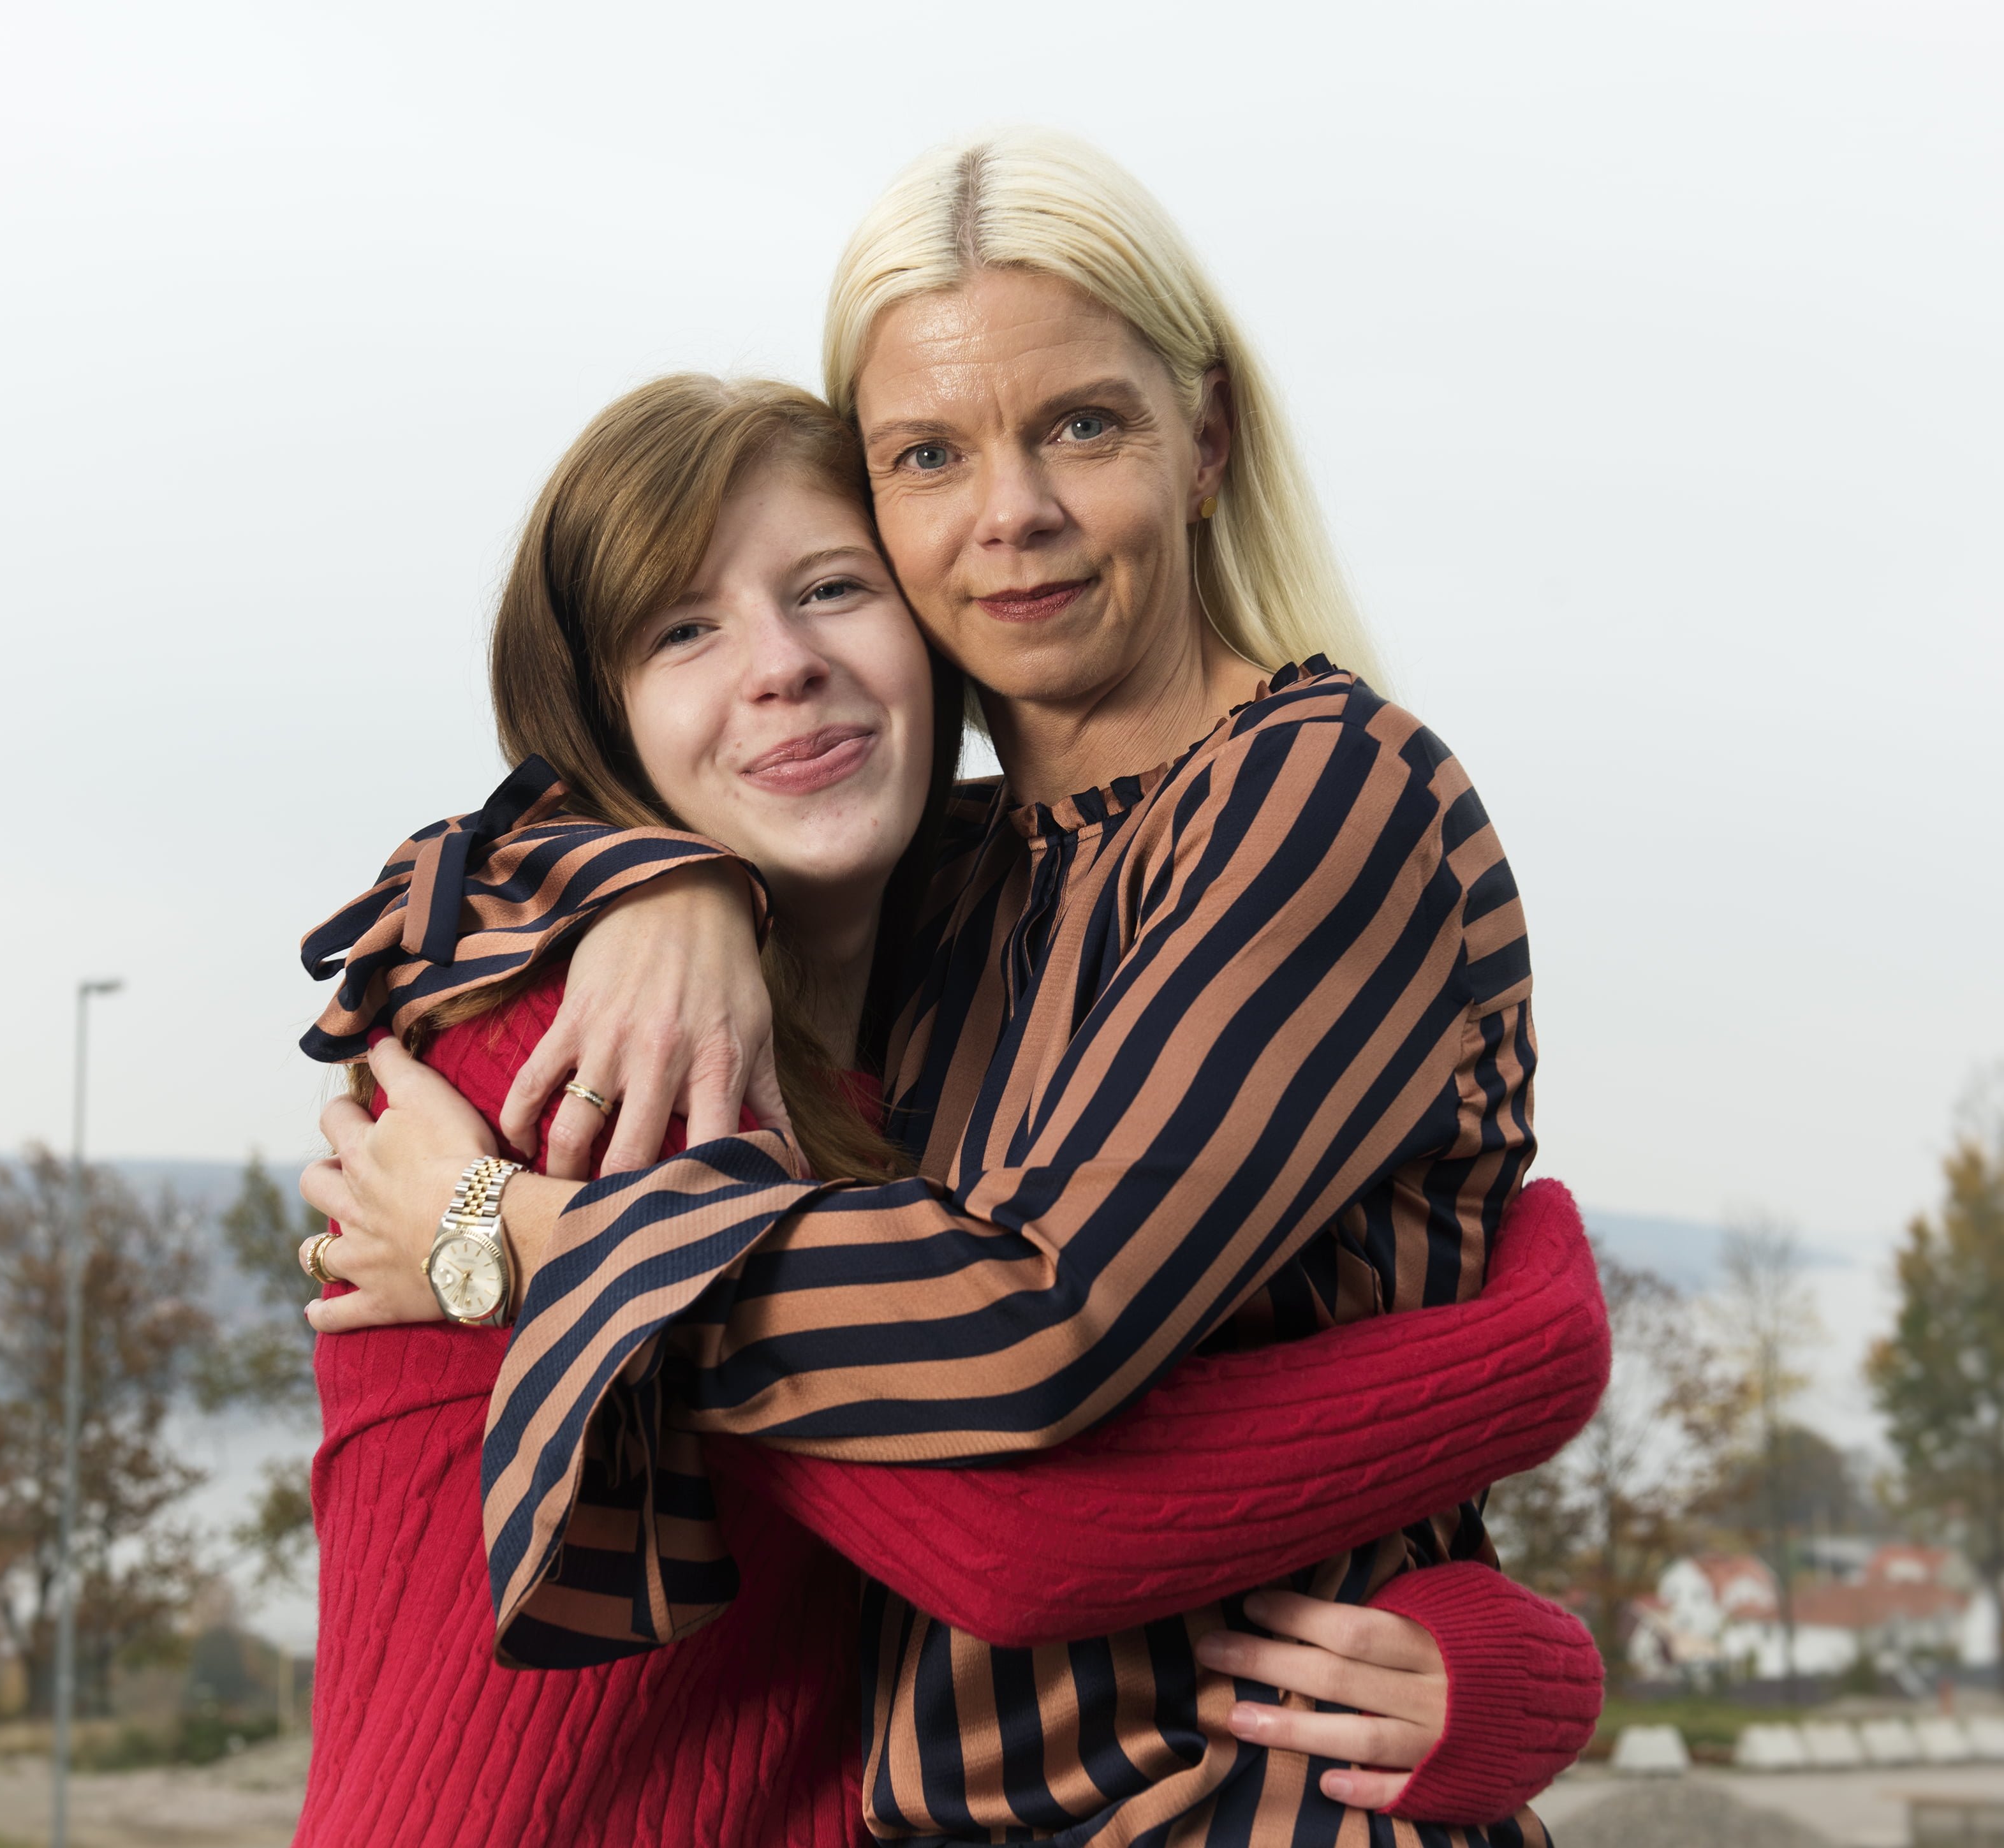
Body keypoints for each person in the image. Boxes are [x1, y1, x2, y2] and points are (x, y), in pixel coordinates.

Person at [291, 375, 1605, 1847]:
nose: (779, 666)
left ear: (928, 620)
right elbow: (1020, 1541)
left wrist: (1509, 1671)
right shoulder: (601, 1060)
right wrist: (1527, 1356)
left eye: (831, 588)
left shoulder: (956, 993)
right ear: (605, 724)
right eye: (684, 630)